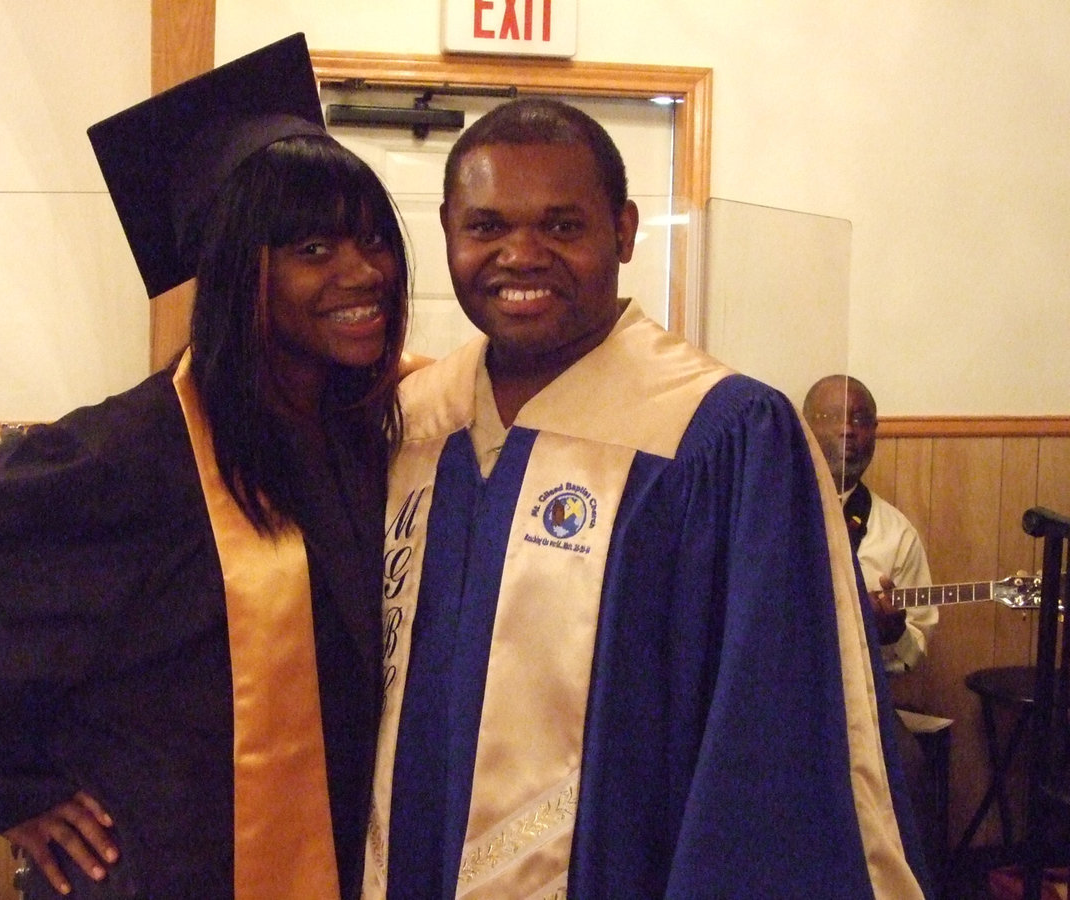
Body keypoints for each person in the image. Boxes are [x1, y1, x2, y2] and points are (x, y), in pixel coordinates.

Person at [0, 34, 408, 899]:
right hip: (168, 869)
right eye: (315, 250)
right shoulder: (133, 449)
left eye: (375, 240)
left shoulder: (363, 427)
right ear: (242, 271)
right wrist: (8, 794)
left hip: (333, 853)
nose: (365, 272)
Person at [363, 98, 930, 898]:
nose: (520, 256)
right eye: (486, 227)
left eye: (562, 227)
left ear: (624, 232)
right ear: (450, 233)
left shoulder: (721, 436)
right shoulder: (415, 424)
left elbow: (767, 742)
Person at [803, 374, 936, 672]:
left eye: (860, 419)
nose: (848, 429)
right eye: (831, 416)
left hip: (865, 704)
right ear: (805, 427)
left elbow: (914, 653)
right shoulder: (767, 511)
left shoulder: (897, 534)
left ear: (875, 432)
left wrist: (893, 635)